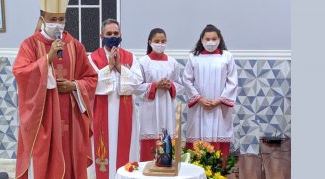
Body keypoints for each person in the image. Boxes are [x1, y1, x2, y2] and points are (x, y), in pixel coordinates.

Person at [12, 0, 98, 178]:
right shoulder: (29, 45)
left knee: (71, 158)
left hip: (71, 118)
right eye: (53, 19)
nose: (57, 24)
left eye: (61, 19)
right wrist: (47, 59)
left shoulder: (75, 45)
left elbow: (91, 78)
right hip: (43, 119)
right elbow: (20, 73)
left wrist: (73, 85)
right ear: (42, 19)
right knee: (45, 161)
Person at [88, 18, 143, 179]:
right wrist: (109, 67)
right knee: (102, 151)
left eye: (116, 33)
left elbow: (137, 83)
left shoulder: (130, 57)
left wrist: (119, 67)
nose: (113, 36)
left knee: (127, 149)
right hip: (101, 113)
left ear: (121, 35)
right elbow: (91, 84)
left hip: (126, 114)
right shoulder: (93, 58)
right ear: (101, 36)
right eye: (109, 33)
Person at [182, 24, 238, 166]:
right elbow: (187, 80)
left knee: (218, 149)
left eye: (214, 38)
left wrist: (220, 100)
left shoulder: (227, 57)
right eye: (207, 39)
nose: (211, 42)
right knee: (197, 150)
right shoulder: (194, 57)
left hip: (219, 109)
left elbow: (232, 81)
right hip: (198, 109)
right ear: (201, 40)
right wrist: (199, 99)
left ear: (220, 39)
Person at [134, 28, 183, 162]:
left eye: (163, 41)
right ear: (150, 42)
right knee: (150, 139)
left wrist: (170, 85)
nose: (160, 44)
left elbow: (180, 85)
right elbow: (136, 87)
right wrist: (155, 85)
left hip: (167, 107)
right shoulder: (143, 61)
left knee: (167, 137)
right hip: (150, 108)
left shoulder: (172, 62)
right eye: (157, 41)